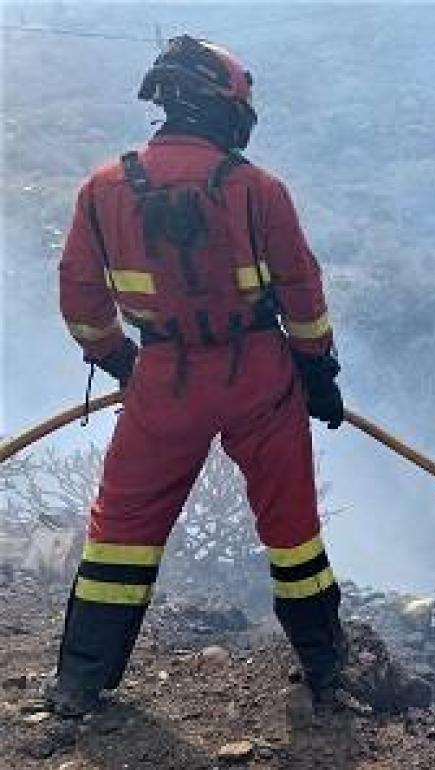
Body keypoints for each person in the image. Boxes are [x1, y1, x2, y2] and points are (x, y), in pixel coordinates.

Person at [47, 35, 347, 716]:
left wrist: (122, 362)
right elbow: (302, 293)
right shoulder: (258, 191)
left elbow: (80, 301)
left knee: (121, 531)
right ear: (226, 110)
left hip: (162, 379)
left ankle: (78, 685)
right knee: (293, 531)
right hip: (259, 380)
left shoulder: (101, 190)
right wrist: (318, 373)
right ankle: (327, 674)